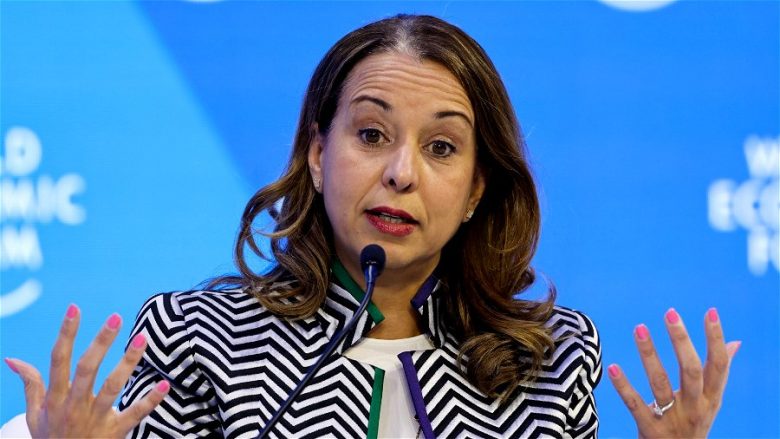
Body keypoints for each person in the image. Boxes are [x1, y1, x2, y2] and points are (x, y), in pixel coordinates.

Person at [3, 14, 739, 438]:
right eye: (371, 134)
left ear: (477, 188)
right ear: (318, 154)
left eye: (442, 147)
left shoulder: (549, 360)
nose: (402, 172)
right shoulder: (202, 339)